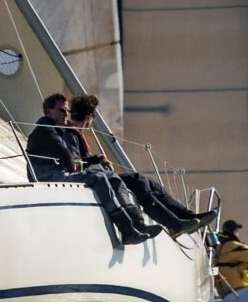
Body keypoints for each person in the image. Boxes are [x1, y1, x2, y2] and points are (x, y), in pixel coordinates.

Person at [67, 96, 217, 235]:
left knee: (150, 183)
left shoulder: (75, 134)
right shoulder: (71, 134)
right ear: (89, 116)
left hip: (97, 177)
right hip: (92, 180)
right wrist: (97, 159)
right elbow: (75, 163)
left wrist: (96, 159)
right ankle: (174, 224)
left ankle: (188, 216)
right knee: (138, 182)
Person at [26, 93, 158, 244]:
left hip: (58, 173)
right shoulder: (45, 129)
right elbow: (67, 157)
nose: (66, 115)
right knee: (98, 177)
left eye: (67, 111)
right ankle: (126, 229)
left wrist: (97, 158)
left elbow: (70, 159)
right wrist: (76, 166)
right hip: (47, 177)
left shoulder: (57, 130)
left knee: (112, 177)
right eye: (61, 110)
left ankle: (137, 223)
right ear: (49, 111)